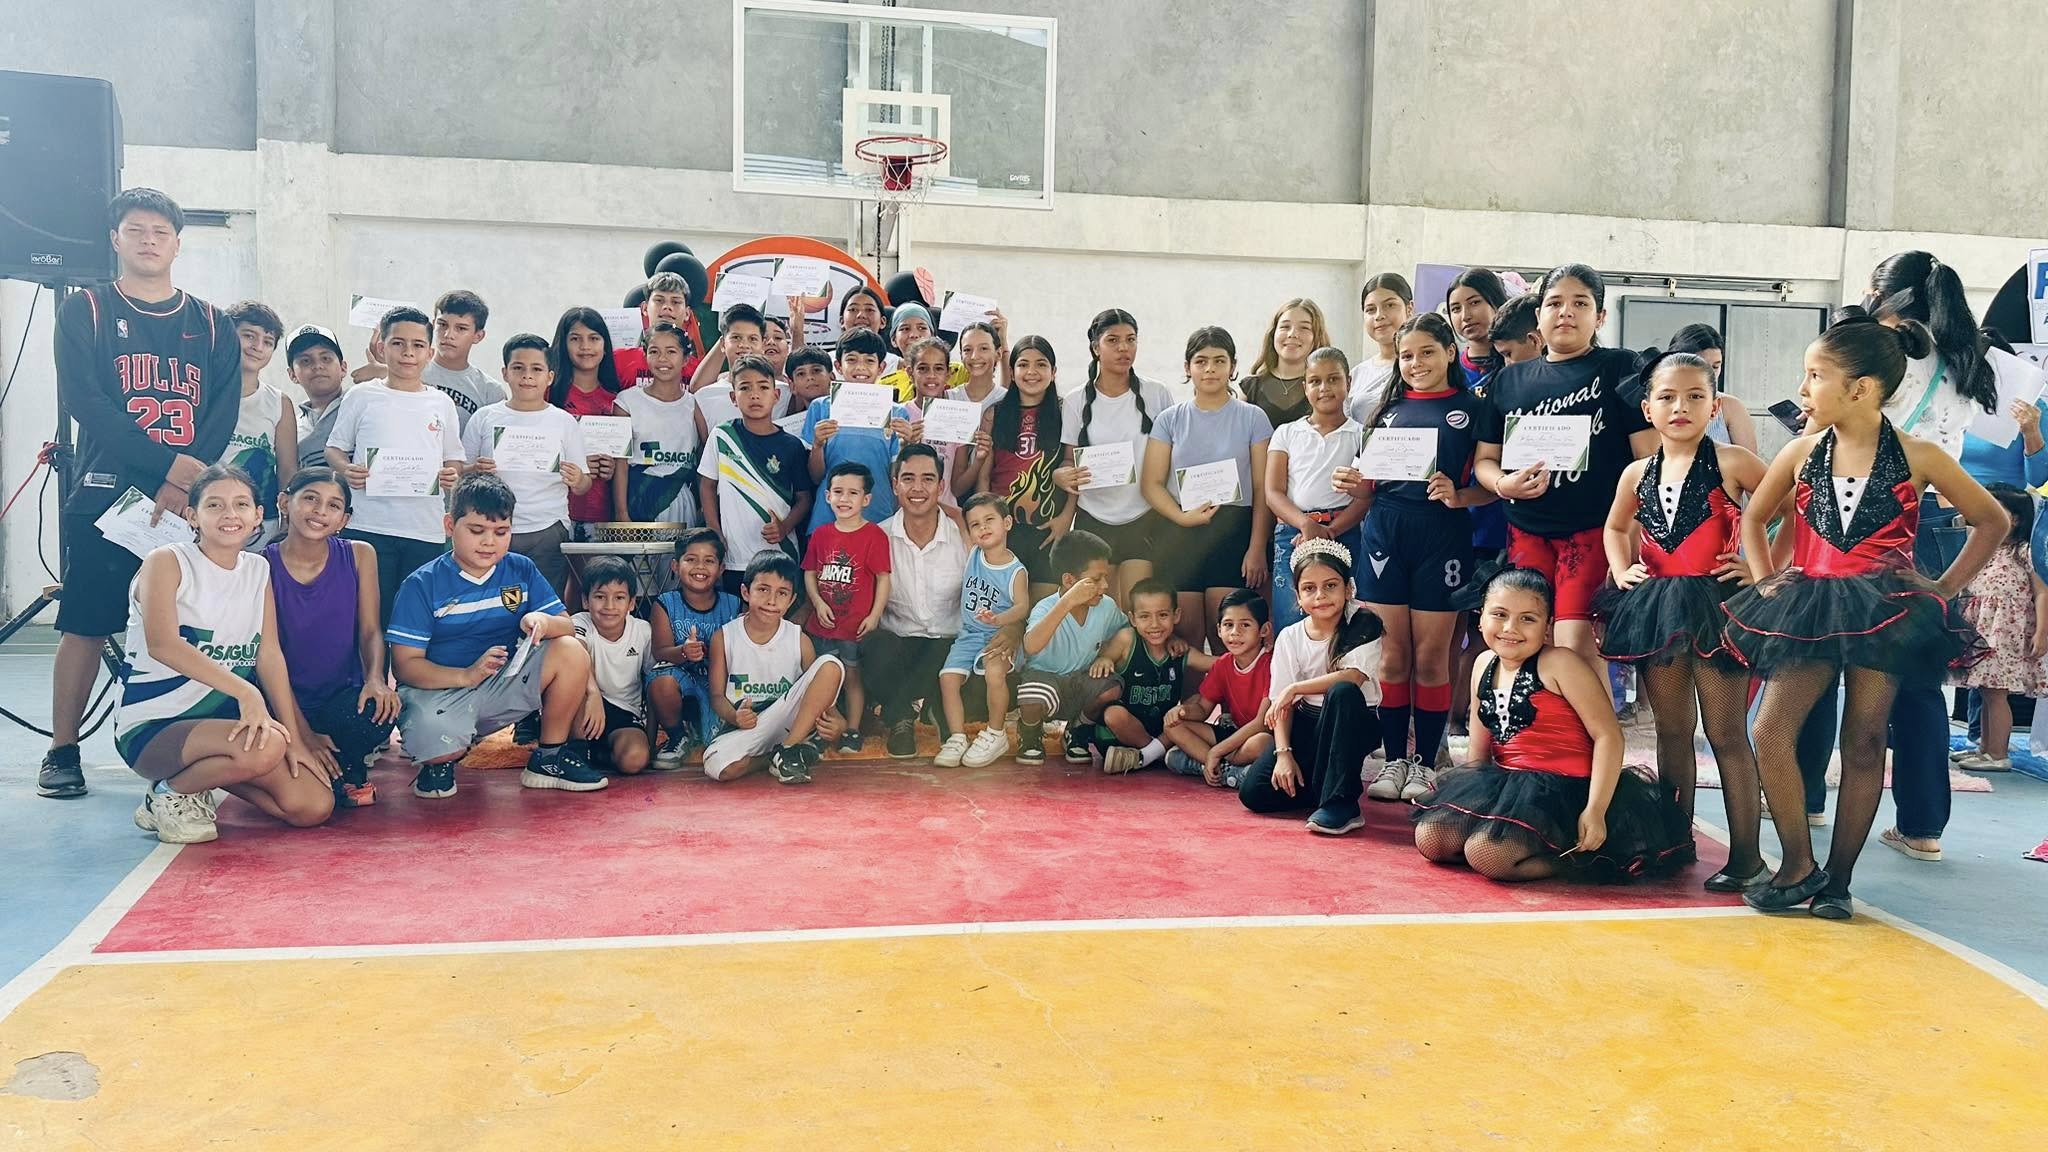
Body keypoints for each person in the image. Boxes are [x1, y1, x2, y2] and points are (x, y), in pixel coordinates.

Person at [1723, 313, 2005, 919]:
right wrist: (1765, 577)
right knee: (1768, 730)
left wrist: (1942, 586)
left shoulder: (1921, 456)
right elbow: (1755, 515)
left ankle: (1839, 883)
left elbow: (1993, 520)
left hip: (1884, 613)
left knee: (1865, 739)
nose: (1802, 389)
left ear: (1861, 388)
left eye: (1814, 376)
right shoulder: (1800, 451)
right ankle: (1798, 864)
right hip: (1809, 605)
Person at [41, 188, 242, 801]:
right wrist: (168, 468)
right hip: (108, 497)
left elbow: (221, 413)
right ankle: (63, 748)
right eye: (136, 230)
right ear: (115, 239)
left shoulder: (213, 323)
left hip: (188, 503)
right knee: (87, 623)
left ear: (178, 243)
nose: (148, 240)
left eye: (160, 231)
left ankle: (186, 741)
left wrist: (181, 482)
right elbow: (87, 403)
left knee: (193, 627)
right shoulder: (86, 309)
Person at [1597, 351, 1769, 890]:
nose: (1681, 407)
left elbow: (1794, 508)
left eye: (1695, 396)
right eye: (1667, 397)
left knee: (1725, 732)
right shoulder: (1636, 472)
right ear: (1648, 408)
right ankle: (1675, 842)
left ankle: (1747, 857)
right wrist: (1621, 568)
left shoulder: (1734, 461)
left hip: (1719, 608)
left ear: (1715, 407)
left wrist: (1763, 569)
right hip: (1657, 608)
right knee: (1672, 731)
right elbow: (1614, 527)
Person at [1413, 567, 1691, 880]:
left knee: (1487, 855)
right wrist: (1473, 807)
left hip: (1564, 794)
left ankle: (1588, 859)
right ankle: (1511, 844)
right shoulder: (1482, 664)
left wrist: (1595, 810)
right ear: (1480, 619)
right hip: (1506, 785)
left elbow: (1609, 736)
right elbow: (1479, 753)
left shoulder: (1560, 663)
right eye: (1500, 615)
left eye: (1528, 619)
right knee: (1431, 838)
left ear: (1548, 626)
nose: (1510, 628)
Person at [119, 466, 335, 843]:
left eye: (241, 505)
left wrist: (298, 740)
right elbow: (163, 644)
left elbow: (269, 654)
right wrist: (246, 692)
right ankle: (167, 794)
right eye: (215, 505)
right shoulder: (166, 561)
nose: (229, 514)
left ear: (257, 516)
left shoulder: (257, 569)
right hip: (155, 726)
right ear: (193, 516)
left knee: (312, 806)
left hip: (223, 726)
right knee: (268, 745)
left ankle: (196, 781)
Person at [1472, 265, 1659, 672]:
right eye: (1555, 303)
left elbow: (1649, 462)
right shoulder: (1509, 380)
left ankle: (1597, 719)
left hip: (1593, 530)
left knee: (1575, 647)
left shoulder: (1620, 367)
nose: (1566, 312)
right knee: (1524, 643)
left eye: (1580, 303)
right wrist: (1503, 484)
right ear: (1538, 315)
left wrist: (1629, 536)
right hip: (1526, 531)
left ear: (1600, 316)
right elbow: (1485, 460)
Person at [1338, 314, 1492, 802]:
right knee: (1393, 655)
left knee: (1430, 658)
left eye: (1427, 352)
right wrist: (1351, 483)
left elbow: (1493, 484)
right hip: (1385, 534)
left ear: (1449, 352)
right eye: (1407, 355)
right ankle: (1394, 759)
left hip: (1442, 537)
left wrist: (1460, 496)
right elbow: (1369, 486)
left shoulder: (1474, 408)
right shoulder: (1384, 412)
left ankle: (1424, 763)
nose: (1416, 363)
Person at [387, 473, 606, 798]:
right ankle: (440, 760)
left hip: (501, 685)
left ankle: (548, 758)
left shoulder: (521, 568)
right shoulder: (421, 584)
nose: (489, 542)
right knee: (439, 747)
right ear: (449, 525)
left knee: (571, 650)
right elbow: (405, 667)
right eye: (477, 531)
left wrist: (541, 621)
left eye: (501, 532)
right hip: (440, 690)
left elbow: (567, 626)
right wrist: (466, 675)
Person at [865, 444, 1017, 759]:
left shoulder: (965, 537)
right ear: (895, 485)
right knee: (872, 645)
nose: (917, 488)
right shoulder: (878, 538)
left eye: (928, 479)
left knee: (992, 671)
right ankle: (902, 716)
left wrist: (1012, 629)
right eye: (908, 478)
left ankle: (934, 705)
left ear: (941, 486)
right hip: (899, 649)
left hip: (950, 646)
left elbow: (1001, 595)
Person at [325, 305, 467, 625]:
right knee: (368, 617)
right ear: (382, 347)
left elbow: (454, 459)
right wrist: (346, 470)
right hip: (368, 526)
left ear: (430, 352)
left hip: (424, 529)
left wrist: (451, 474)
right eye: (398, 343)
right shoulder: (361, 396)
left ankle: (407, 663)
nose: (408, 353)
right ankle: (371, 662)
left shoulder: (442, 403)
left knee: (416, 618)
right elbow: (334, 448)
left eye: (418, 345)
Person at [266, 468, 399, 809]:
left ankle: (348, 764)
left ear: (344, 519)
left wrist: (376, 679)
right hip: (281, 702)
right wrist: (303, 734)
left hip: (340, 700)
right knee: (308, 797)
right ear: (284, 502)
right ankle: (316, 761)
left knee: (378, 710)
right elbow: (268, 655)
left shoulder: (359, 554)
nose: (320, 511)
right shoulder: (260, 565)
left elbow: (370, 630)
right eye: (310, 498)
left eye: (333, 505)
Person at [1236, 540, 1383, 835]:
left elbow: (1352, 677)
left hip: (1351, 722)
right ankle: (1322, 787)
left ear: (1348, 589)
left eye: (1330, 586)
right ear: (1298, 596)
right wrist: (1283, 754)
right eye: (1309, 588)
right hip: (1307, 721)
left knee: (1342, 692)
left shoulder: (1365, 623)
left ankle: (1342, 803)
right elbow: (1282, 704)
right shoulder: (1290, 636)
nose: (1320, 596)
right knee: (1254, 793)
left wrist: (1296, 688)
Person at [1143, 326, 1273, 647]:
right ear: (1188, 368)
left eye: (1219, 361)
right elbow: (1151, 484)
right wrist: (1182, 517)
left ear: (1233, 366)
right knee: (1185, 635)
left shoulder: (1253, 417)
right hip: (1180, 531)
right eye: (1201, 361)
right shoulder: (1170, 419)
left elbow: (1262, 487)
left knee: (1227, 633)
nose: (1210, 369)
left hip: (1233, 530)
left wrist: (1257, 546)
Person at [1053, 309, 1175, 603]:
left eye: (1131, 340)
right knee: (1101, 610)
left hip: (1144, 516)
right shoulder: (1075, 400)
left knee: (1138, 608)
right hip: (1093, 518)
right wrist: (1062, 475)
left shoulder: (1157, 393)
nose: (1123, 348)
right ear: (1096, 347)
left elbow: (1173, 455)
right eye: (1113, 340)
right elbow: (1068, 460)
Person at [462, 332, 591, 599]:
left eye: (536, 369)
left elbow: (583, 485)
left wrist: (578, 478)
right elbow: (460, 474)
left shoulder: (564, 421)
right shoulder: (485, 418)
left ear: (550, 377)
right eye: (518, 368)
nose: (527, 376)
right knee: (490, 602)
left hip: (548, 527)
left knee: (543, 604)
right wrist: (475, 470)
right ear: (505, 373)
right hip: (491, 528)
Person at [702, 553, 849, 783]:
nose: (772, 600)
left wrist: (839, 723)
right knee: (718, 766)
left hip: (789, 722)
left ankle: (789, 748)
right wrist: (735, 716)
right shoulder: (725, 637)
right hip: (749, 725)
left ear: (791, 600)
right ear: (745, 592)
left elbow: (818, 690)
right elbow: (717, 697)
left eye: (782, 593)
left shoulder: (798, 639)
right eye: (763, 589)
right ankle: (779, 756)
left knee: (831, 665)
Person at [1266, 346, 1368, 631]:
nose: (1324, 388)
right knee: (1291, 618)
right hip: (1293, 534)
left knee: (1343, 618)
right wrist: (1305, 524)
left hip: (1344, 532)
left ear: (1348, 382)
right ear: (1305, 387)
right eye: (1315, 381)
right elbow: (1273, 492)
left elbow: (1366, 496)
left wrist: (1331, 531)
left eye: (1333, 379)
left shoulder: (1362, 434)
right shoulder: (1286, 432)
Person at [697, 356, 814, 592]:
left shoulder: (792, 445)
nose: (755, 395)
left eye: (763, 387)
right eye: (745, 388)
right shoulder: (723, 435)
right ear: (733, 397)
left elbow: (804, 499)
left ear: (776, 395)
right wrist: (714, 530)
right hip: (735, 555)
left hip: (781, 554)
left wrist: (785, 527)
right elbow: (707, 485)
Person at [1950, 485, 2044, 774]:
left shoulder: (2024, 551)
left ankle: (1998, 753)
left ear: (2014, 519)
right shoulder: (1985, 548)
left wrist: (2042, 631)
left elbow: (2042, 592)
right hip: (1983, 630)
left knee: (1996, 693)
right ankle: (1985, 748)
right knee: (1986, 690)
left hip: (2006, 632)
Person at [972, 335, 1073, 604]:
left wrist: (1066, 518)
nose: (1031, 372)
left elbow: (1074, 468)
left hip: (1048, 529)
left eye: (1041, 364)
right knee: (1006, 612)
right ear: (1012, 371)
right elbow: (984, 476)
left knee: (1042, 614)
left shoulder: (1066, 412)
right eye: (1023, 364)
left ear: (1053, 372)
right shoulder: (995, 413)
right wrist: (986, 522)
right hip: (1005, 530)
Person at [1015, 531, 1129, 767]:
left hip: (1081, 682)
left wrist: (1107, 656)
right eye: (1096, 579)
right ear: (1069, 581)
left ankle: (1077, 730)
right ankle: (1030, 732)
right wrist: (1067, 602)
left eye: (1105, 578)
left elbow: (1126, 632)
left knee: (1112, 687)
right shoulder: (1044, 607)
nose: (1105, 586)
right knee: (1032, 694)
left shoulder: (1106, 607)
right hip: (1045, 679)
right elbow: (1031, 646)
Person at [802, 461, 893, 752]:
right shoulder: (820, 534)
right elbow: (810, 572)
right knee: (821, 680)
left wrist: (875, 615)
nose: (844, 498)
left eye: (853, 493)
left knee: (853, 678)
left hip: (854, 626)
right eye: (838, 491)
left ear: (866, 499)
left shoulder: (874, 536)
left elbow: (883, 578)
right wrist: (817, 603)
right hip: (823, 626)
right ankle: (821, 728)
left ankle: (852, 729)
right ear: (827, 495)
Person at [935, 494, 1031, 769]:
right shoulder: (973, 553)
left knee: (994, 672)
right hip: (969, 634)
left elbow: (1023, 607)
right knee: (948, 678)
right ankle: (956, 737)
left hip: (997, 636)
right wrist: (931, 501)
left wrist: (999, 618)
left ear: (1007, 523)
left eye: (989, 520)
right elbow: (957, 515)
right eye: (975, 524)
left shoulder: (1015, 571)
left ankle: (996, 733)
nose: (983, 528)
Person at [1085, 578, 1215, 775]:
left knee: (1195, 701)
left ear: (1176, 615)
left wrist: (1254, 652)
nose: (1154, 624)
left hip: (1162, 729)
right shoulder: (1127, 639)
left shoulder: (1179, 650)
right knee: (1114, 714)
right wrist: (1104, 660)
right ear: (1132, 619)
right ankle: (1159, 753)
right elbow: (1105, 656)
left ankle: (1146, 756)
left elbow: (1215, 663)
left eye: (1162, 615)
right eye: (1144, 616)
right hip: (1118, 735)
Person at [801, 327, 916, 531]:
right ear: (838, 366)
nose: (860, 367)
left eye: (869, 361)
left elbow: (897, 478)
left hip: (878, 515)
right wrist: (817, 445)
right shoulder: (820, 408)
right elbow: (815, 477)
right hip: (829, 516)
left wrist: (907, 445)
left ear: (881, 368)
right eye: (852, 360)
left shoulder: (897, 413)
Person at [647, 528, 744, 767]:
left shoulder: (734, 604)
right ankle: (678, 736)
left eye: (709, 561)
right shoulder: (665, 603)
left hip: (721, 685)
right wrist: (683, 651)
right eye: (691, 559)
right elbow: (660, 651)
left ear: (721, 568)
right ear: (675, 566)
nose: (700, 567)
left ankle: (717, 733)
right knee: (660, 679)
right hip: (683, 684)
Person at [1163, 587, 1274, 787]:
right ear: (1219, 630)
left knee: (1263, 743)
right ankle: (1228, 771)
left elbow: (1261, 724)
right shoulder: (1223, 664)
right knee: (1172, 725)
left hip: (1257, 736)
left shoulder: (1271, 663)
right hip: (1234, 735)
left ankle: (1210, 765)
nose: (1235, 632)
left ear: (1264, 630)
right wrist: (1183, 711)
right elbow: (1203, 709)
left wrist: (1216, 751)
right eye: (1228, 625)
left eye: (1245, 625)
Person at [354, 290, 507, 432]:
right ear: (434, 324)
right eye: (442, 325)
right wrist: (386, 371)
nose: (448, 335)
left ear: (478, 336)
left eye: (461, 328)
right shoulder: (403, 369)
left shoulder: (490, 390)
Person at [220, 300, 296, 547]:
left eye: (268, 342)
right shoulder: (202, 392)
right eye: (249, 336)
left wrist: (288, 520)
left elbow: (287, 469)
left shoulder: (279, 402)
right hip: (209, 514)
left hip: (261, 522)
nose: (257, 347)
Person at [612, 321, 701, 525]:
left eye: (671, 351)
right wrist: (621, 513)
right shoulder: (627, 402)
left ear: (685, 358)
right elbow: (620, 463)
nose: (662, 359)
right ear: (645, 355)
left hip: (680, 500)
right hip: (638, 500)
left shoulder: (694, 405)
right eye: (654, 351)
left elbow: (705, 457)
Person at [573, 556, 655, 775]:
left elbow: (653, 682)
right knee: (573, 685)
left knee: (635, 760)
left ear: (631, 603)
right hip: (583, 703)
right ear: (585, 600)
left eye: (619, 597)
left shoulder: (642, 631)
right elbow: (577, 654)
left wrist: (650, 738)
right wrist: (593, 696)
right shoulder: (579, 622)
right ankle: (577, 749)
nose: (609, 606)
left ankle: (600, 755)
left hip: (624, 712)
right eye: (600, 597)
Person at [547, 306, 625, 534]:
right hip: (555, 515)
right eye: (575, 339)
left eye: (594, 338)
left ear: (605, 345)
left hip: (602, 516)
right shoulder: (547, 395)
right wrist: (578, 464)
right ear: (563, 344)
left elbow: (623, 460)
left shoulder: (618, 401)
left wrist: (613, 467)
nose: (585, 346)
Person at [1663, 325, 1759, 452]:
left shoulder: (1731, 407)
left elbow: (1750, 462)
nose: (1710, 374)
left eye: (1715, 367)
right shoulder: (1660, 405)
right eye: (1701, 366)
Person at [1240, 299, 1331, 429]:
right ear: (1273, 334)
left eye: (1304, 328)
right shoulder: (1249, 389)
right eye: (1285, 327)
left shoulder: (1327, 388)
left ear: (1317, 337)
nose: (1292, 334)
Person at [615, 272, 704, 390]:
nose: (667, 307)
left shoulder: (700, 371)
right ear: (644, 308)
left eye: (675, 302)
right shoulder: (618, 360)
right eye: (659, 300)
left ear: (687, 313)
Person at [1345, 273, 1413, 421]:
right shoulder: (1356, 375)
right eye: (1370, 309)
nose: (1379, 316)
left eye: (1390, 305)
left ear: (1409, 308)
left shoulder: (1422, 367)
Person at [286, 324, 350, 471]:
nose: (317, 366)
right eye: (305, 361)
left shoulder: (362, 404)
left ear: (343, 368)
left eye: (326, 358)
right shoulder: (290, 428)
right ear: (292, 374)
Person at [878, 303, 966, 401]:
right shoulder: (885, 385)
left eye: (922, 328)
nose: (914, 335)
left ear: (933, 336)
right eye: (905, 329)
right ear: (894, 340)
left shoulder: (958, 372)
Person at [1446, 268, 1509, 387]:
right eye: (1456, 309)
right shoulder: (1449, 370)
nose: (1465, 316)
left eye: (1474, 303)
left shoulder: (1518, 360)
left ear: (1497, 302)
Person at [948, 319, 1008, 410]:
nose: (974, 356)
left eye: (983, 348)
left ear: (998, 353)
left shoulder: (1007, 399)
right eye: (967, 350)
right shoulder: (948, 398)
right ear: (961, 355)